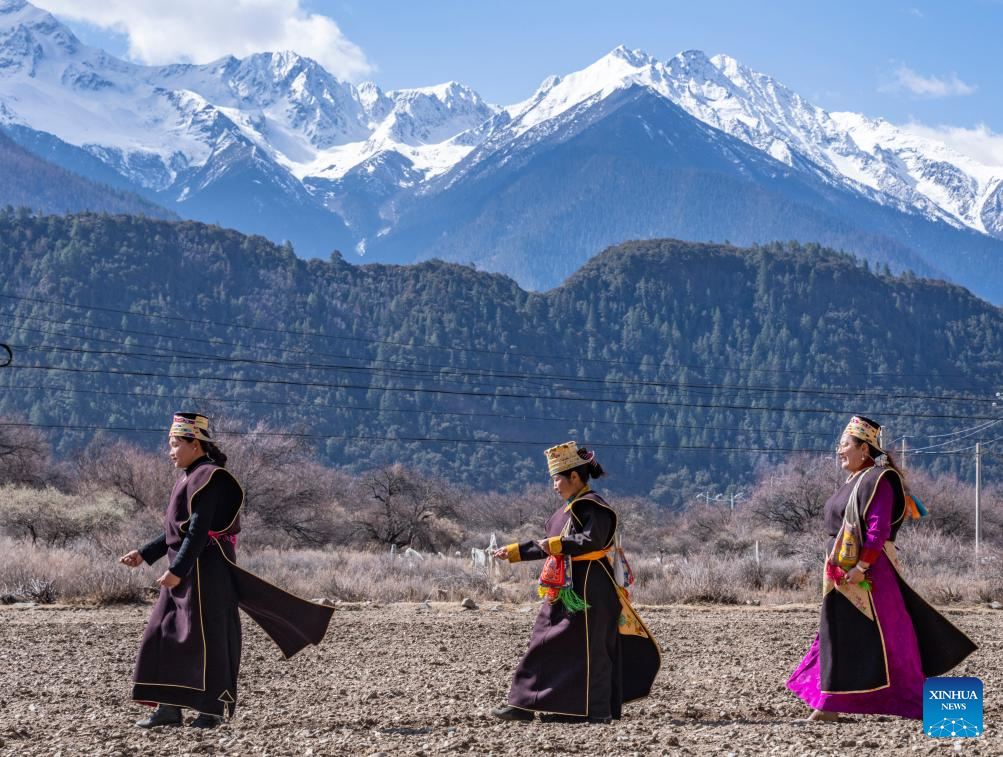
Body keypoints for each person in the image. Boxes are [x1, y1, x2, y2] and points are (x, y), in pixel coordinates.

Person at [119, 412, 335, 729]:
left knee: (209, 640)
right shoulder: (189, 477)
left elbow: (197, 532)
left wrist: (177, 570)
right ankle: (169, 708)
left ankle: (211, 711)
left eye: (175, 444)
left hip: (207, 574)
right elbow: (176, 532)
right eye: (170, 444)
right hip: (185, 571)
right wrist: (145, 553)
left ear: (195, 444)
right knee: (164, 634)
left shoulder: (211, 477)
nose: (170, 451)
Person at [787, 415, 977, 721]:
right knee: (838, 635)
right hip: (842, 575)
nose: (839, 450)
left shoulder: (880, 480)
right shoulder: (853, 482)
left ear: (864, 449)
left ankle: (951, 712)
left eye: (845, 444)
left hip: (871, 576)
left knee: (892, 641)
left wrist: (862, 567)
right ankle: (829, 707)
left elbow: (877, 530)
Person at [490, 441, 661, 724]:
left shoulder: (594, 507)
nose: (554, 485)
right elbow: (550, 546)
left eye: (557, 479)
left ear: (574, 476)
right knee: (544, 640)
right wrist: (514, 552)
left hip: (592, 587)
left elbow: (589, 540)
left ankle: (594, 712)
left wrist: (555, 545)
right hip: (564, 588)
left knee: (591, 649)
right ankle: (524, 703)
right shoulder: (564, 512)